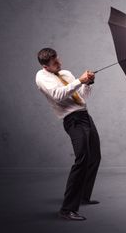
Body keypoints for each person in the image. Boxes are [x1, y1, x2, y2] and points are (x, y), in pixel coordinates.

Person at [35, 48, 101, 221]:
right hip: (73, 120)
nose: (60, 63)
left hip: (85, 115)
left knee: (95, 156)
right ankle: (67, 209)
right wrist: (80, 80)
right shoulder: (41, 77)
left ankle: (83, 196)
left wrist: (87, 83)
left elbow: (82, 97)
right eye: (55, 63)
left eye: (58, 59)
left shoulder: (66, 73)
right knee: (82, 160)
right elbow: (58, 95)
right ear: (45, 66)